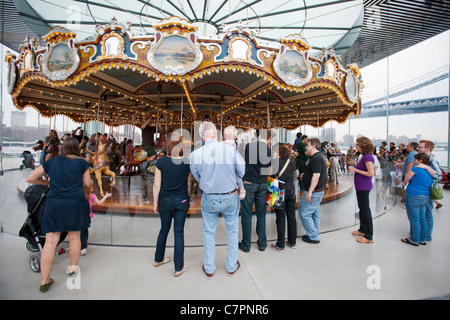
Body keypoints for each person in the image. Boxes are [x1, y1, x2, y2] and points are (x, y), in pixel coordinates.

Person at [25, 137, 91, 292]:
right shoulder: (82, 163)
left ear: (62, 148)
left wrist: (48, 183)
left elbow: (31, 178)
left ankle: (44, 280)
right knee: (74, 237)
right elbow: (87, 184)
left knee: (50, 242)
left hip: (54, 203)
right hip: (75, 202)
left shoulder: (51, 162)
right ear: (77, 148)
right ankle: (73, 268)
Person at [190, 122, 245, 278]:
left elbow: (197, 177)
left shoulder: (195, 155)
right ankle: (231, 266)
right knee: (233, 231)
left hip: (209, 197)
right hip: (231, 196)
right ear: (215, 132)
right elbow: (241, 171)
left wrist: (209, 182)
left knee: (208, 232)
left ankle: (209, 268)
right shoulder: (230, 150)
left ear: (201, 136)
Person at [153, 132, 192, 277]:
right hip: (181, 199)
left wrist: (155, 202)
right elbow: (188, 184)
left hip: (165, 200)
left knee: (164, 229)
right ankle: (178, 267)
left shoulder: (161, 162)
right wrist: (186, 197)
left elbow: (157, 185)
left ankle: (158, 258)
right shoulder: (187, 162)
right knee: (179, 233)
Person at [239, 129, 273, 252]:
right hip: (263, 183)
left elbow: (245, 162)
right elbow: (269, 169)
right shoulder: (269, 150)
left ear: (257, 135)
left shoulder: (249, 146)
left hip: (249, 182)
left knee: (247, 214)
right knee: (261, 214)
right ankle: (262, 243)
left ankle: (246, 245)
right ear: (269, 138)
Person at [401, 153, 435, 246]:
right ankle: (422, 239)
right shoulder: (429, 171)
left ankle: (414, 239)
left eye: (415, 160)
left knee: (414, 219)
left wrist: (405, 181)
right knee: (422, 218)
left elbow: (407, 178)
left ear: (420, 161)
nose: (413, 161)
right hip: (425, 196)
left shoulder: (416, 169)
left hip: (414, 195)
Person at [298, 138, 327, 244]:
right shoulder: (316, 158)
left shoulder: (316, 159)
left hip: (314, 192)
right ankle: (315, 233)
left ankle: (313, 236)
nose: (306, 147)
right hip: (317, 191)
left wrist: (310, 191)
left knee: (304, 213)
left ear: (313, 146)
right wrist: (305, 175)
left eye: (307, 145)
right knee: (314, 213)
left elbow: (316, 175)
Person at [270, 144, 297, 251]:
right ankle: (292, 241)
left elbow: (271, 175)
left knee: (280, 218)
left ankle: (280, 244)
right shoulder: (292, 162)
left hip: (280, 191)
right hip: (291, 190)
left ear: (279, 153)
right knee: (291, 217)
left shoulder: (276, 162)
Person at [348, 137, 375, 244]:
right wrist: (355, 166)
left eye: (357, 144)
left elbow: (371, 173)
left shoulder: (368, 157)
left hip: (364, 186)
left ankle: (369, 235)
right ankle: (362, 229)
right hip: (360, 186)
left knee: (365, 209)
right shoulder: (364, 156)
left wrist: (355, 170)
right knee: (362, 208)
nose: (356, 146)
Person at [417, 139, 443, 241]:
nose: (418, 148)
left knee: (427, 212)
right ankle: (423, 233)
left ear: (427, 148)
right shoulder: (425, 159)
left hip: (428, 189)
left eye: (420, 147)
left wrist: (426, 168)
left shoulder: (432, 160)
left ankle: (427, 235)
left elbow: (439, 175)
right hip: (422, 189)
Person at [81, 179, 111, 256]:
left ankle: (81, 246)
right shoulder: (92, 196)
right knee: (85, 230)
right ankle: (83, 246)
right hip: (87, 215)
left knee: (80, 231)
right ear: (91, 187)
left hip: (80, 214)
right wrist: (106, 196)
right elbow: (100, 202)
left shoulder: (81, 194)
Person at [223, 126, 246, 200]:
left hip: (230, 161)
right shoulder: (233, 142)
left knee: (236, 173)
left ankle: (242, 188)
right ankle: (241, 188)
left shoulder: (230, 142)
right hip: (231, 161)